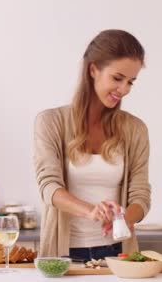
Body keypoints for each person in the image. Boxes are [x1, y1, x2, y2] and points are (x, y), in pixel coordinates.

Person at [34, 29, 151, 261]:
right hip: (64, 255)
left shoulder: (135, 129)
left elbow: (141, 195)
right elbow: (49, 187)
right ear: (93, 69)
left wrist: (124, 218)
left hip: (118, 254)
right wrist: (92, 211)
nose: (124, 89)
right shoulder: (50, 122)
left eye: (131, 82)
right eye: (118, 78)